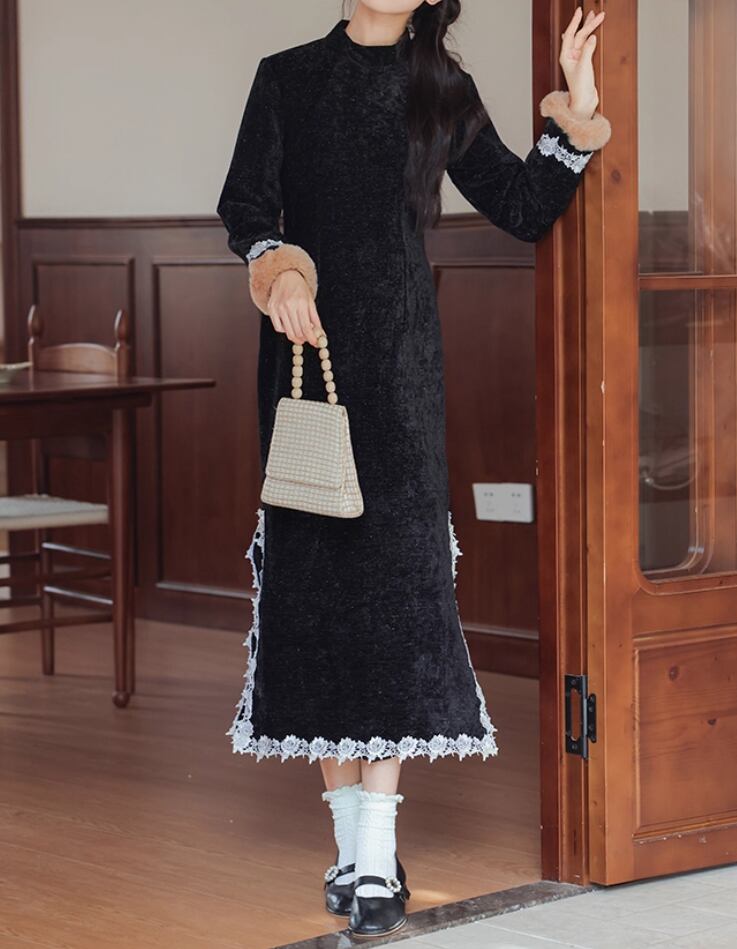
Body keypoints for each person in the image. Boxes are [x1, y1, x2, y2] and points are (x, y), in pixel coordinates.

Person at [217, 0, 610, 938]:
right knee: (317, 599)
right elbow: (245, 209)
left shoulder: (441, 87)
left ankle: (373, 852)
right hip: (307, 364)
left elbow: (521, 207)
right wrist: (281, 272)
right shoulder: (286, 77)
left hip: (400, 371)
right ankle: (353, 848)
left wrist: (578, 111)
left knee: (397, 596)